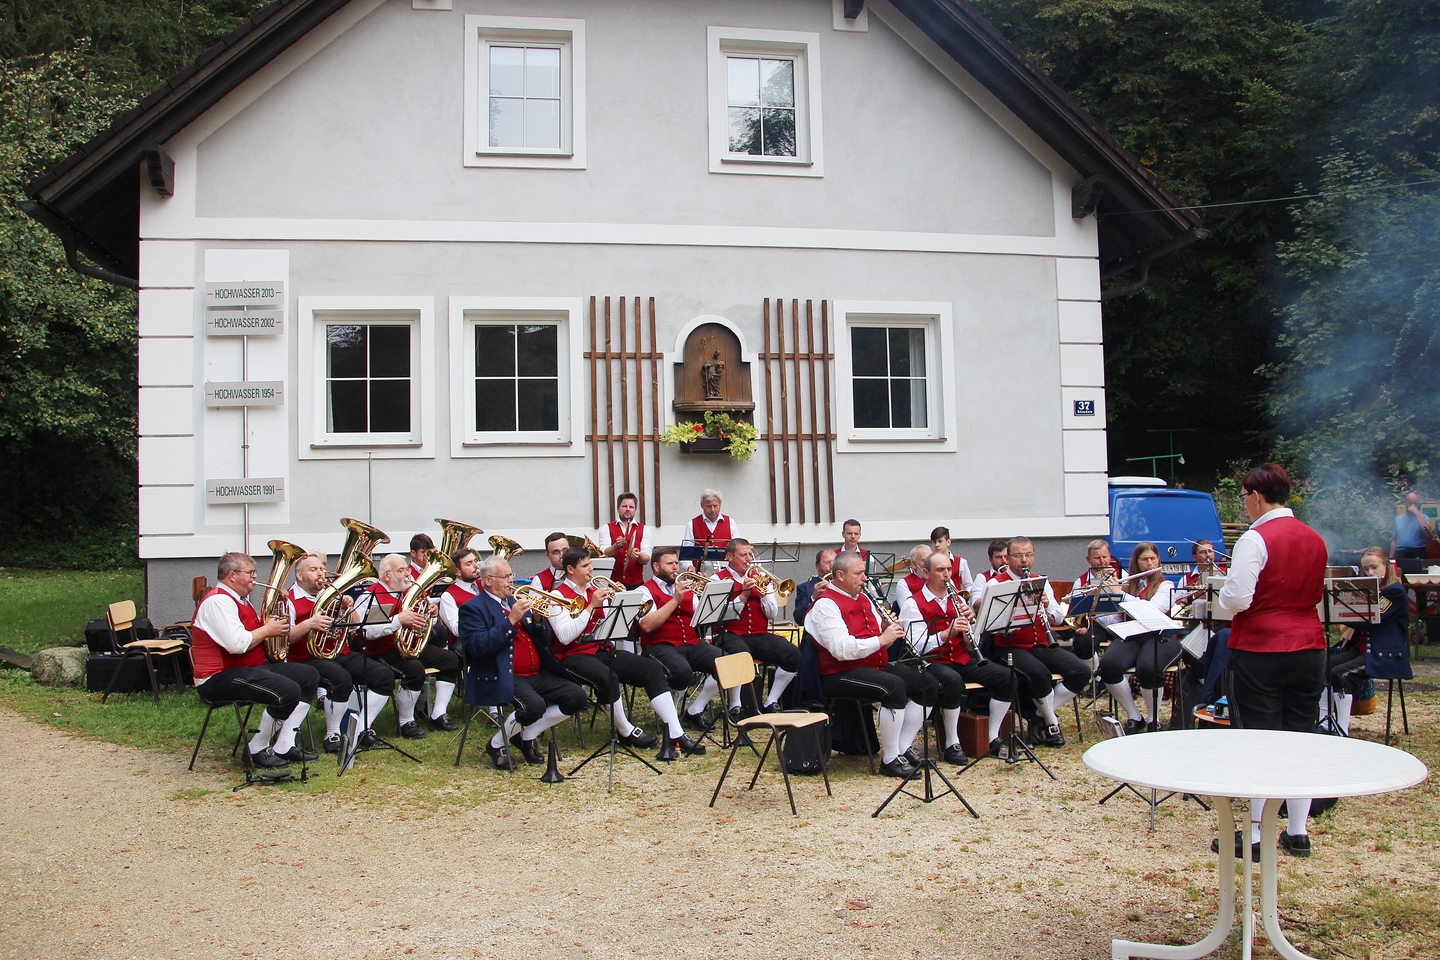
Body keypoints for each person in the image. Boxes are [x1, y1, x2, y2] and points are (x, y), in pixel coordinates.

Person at [1216, 462, 1328, 860]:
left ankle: (1258, 836)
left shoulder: (1255, 538)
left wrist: (1223, 592)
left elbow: (1238, 598)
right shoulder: (1315, 538)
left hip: (1262, 647)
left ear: (1256, 496)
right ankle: (1297, 832)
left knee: (1260, 741)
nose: (1244, 504)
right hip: (1309, 645)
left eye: (1245, 497)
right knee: (1301, 736)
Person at [547, 546, 703, 758]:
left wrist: (620, 602)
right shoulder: (557, 595)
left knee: (651, 670)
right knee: (607, 677)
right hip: (571, 656)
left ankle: (675, 732)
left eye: (590, 564)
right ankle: (625, 730)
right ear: (570, 569)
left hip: (601, 650)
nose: (591, 570)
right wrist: (591, 607)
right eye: (585, 566)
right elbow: (565, 636)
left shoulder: (594, 590)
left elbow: (611, 627)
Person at [191, 552, 320, 777]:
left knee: (308, 675)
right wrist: (268, 630)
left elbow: (255, 637)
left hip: (246, 669)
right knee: (288, 691)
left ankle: (283, 745)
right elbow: (237, 644)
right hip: (218, 677)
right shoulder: (218, 601)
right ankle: (256, 748)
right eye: (250, 573)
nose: (255, 577)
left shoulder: (240, 600)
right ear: (232, 575)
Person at [805, 552, 933, 778]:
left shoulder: (863, 597)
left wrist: (884, 626)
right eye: (859, 573)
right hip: (839, 673)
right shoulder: (825, 606)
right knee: (893, 687)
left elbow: (872, 633)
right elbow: (841, 649)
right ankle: (890, 759)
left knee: (928, 683)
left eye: (864, 572)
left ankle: (903, 747)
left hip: (872, 665)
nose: (864, 577)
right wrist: (882, 640)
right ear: (840, 575)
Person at [458, 555, 588, 767]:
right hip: (501, 673)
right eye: (506, 576)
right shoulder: (473, 608)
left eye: (512, 575)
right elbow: (479, 646)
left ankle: (526, 736)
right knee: (533, 706)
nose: (511, 580)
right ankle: (497, 743)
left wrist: (537, 620)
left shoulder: (513, 601)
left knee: (577, 697)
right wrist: (511, 620)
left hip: (534, 672)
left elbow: (544, 640)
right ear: (488, 580)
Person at [969, 537, 1091, 747]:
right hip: (1009, 646)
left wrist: (1046, 605)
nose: (1024, 560)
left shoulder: (1040, 580)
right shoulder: (996, 584)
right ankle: (1052, 724)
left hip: (1041, 644)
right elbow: (987, 622)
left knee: (1081, 671)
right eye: (1018, 556)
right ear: (1008, 557)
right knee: (1040, 674)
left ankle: (1038, 714)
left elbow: (1058, 618)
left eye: (1029, 555)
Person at [898, 552, 1014, 763]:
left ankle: (992, 737)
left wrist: (972, 624)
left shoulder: (958, 599)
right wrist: (945, 634)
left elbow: (973, 644)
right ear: (926, 573)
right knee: (952, 680)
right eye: (940, 570)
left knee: (1006, 676)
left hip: (959, 658)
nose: (947, 575)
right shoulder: (913, 604)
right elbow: (916, 647)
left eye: (949, 570)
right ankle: (952, 742)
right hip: (930, 662)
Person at [285, 551, 395, 753]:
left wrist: (349, 608)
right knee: (341, 679)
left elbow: (355, 627)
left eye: (321, 569)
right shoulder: (289, 599)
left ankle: (360, 731)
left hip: (338, 652)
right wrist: (309, 624)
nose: (321, 573)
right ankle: (332, 734)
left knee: (384, 676)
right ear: (299, 575)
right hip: (306, 657)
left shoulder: (330, 594)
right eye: (313, 570)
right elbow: (284, 639)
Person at [358, 554, 463, 738]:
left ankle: (437, 713)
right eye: (401, 571)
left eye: (407, 569)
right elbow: (369, 631)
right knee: (414, 669)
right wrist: (398, 620)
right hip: (380, 650)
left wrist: (431, 611)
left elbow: (422, 615)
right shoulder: (374, 595)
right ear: (386, 575)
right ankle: (406, 721)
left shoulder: (409, 591)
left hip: (407, 646)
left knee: (450, 659)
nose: (407, 574)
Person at [1318, 547, 1409, 736]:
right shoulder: (1366, 590)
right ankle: (1326, 723)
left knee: (1340, 674)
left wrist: (1344, 613)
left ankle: (1341, 730)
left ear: (1387, 566)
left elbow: (1375, 621)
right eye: (1366, 569)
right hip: (1362, 649)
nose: (1370, 573)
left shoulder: (1394, 592)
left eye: (1374, 567)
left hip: (1384, 653)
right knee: (1323, 667)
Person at [638, 547, 729, 731]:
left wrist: (708, 596)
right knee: (682, 672)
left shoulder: (686, 587)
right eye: (669, 564)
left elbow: (703, 616)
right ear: (656, 567)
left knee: (727, 663)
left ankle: (695, 709)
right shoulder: (645, 591)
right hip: (659, 646)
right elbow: (647, 625)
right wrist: (675, 600)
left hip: (690, 643)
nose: (675, 568)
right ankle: (670, 717)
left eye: (676, 563)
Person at [1097, 542, 1180, 734]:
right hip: (1132, 635)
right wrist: (1098, 607)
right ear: (1136, 562)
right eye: (1144, 559)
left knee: (1148, 667)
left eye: (1153, 559)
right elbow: (1116, 620)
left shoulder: (1166, 586)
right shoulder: (1127, 586)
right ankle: (1135, 716)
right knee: (1108, 666)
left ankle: (1154, 719)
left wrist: (1122, 596)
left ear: (1158, 560)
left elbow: (1152, 611)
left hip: (1160, 636)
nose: (1149, 563)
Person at [714, 539, 803, 715]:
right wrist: (744, 595)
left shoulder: (759, 577)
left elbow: (771, 615)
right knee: (741, 654)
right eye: (743, 555)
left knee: (793, 655)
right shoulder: (718, 579)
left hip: (758, 634)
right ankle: (735, 704)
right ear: (729, 556)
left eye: (750, 554)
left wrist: (764, 593)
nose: (748, 559)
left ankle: (771, 701)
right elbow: (718, 615)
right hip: (729, 633)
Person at [1069, 539, 1123, 663]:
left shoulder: (1123, 576)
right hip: (1096, 623)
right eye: (1097, 558)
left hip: (1119, 621)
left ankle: (1121, 678)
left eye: (1105, 557)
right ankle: (1095, 676)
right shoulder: (1081, 581)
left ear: (1109, 556)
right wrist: (1080, 625)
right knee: (1082, 642)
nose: (1102, 561)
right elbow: (1074, 610)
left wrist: (1117, 586)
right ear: (1088, 560)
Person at [598, 492, 652, 590]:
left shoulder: (645, 529)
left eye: (631, 507)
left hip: (636, 583)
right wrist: (616, 546)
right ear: (618, 508)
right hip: (612, 583)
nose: (627, 509)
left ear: (635, 510)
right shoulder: (606, 528)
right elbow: (604, 554)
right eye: (624, 506)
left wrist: (638, 556)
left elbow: (646, 559)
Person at [681, 489, 737, 571]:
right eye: (708, 506)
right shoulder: (692, 524)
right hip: (701, 572)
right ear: (702, 505)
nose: (712, 510)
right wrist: (689, 566)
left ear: (720, 505)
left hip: (725, 571)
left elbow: (737, 548)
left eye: (715, 506)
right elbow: (686, 554)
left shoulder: (730, 522)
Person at [793, 548, 836, 625]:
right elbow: (799, 618)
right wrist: (813, 597)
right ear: (817, 566)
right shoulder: (805, 588)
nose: (832, 566)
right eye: (827, 562)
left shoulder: (845, 586)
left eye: (835, 562)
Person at [929, 526, 975, 597]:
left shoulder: (961, 562)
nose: (936, 545)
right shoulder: (929, 562)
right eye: (934, 542)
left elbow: (969, 585)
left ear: (948, 542)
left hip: (956, 600)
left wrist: (963, 597)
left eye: (940, 541)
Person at [1392, 491, 1432, 560]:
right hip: (1401, 552)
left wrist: (1416, 513)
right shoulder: (1398, 519)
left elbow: (1427, 530)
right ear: (1405, 502)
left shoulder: (1424, 517)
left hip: (1418, 551)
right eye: (1411, 503)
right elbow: (1394, 540)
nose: (1413, 506)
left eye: (1416, 503)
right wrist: (1391, 557)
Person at [893, 544, 934, 610]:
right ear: (914, 564)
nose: (929, 564)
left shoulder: (940, 579)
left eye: (931, 560)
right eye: (925, 561)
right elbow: (908, 610)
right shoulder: (904, 584)